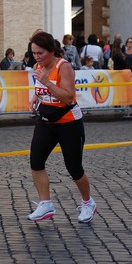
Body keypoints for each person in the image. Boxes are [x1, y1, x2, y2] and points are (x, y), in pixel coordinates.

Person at [27, 31, 96, 223]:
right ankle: (45, 204)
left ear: (51, 50)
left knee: (74, 167)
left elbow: (67, 98)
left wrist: (47, 82)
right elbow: (41, 89)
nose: (37, 57)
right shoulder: (37, 66)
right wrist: (35, 97)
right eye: (34, 53)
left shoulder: (63, 67)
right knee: (36, 161)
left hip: (68, 123)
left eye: (40, 53)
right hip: (46, 121)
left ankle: (87, 202)